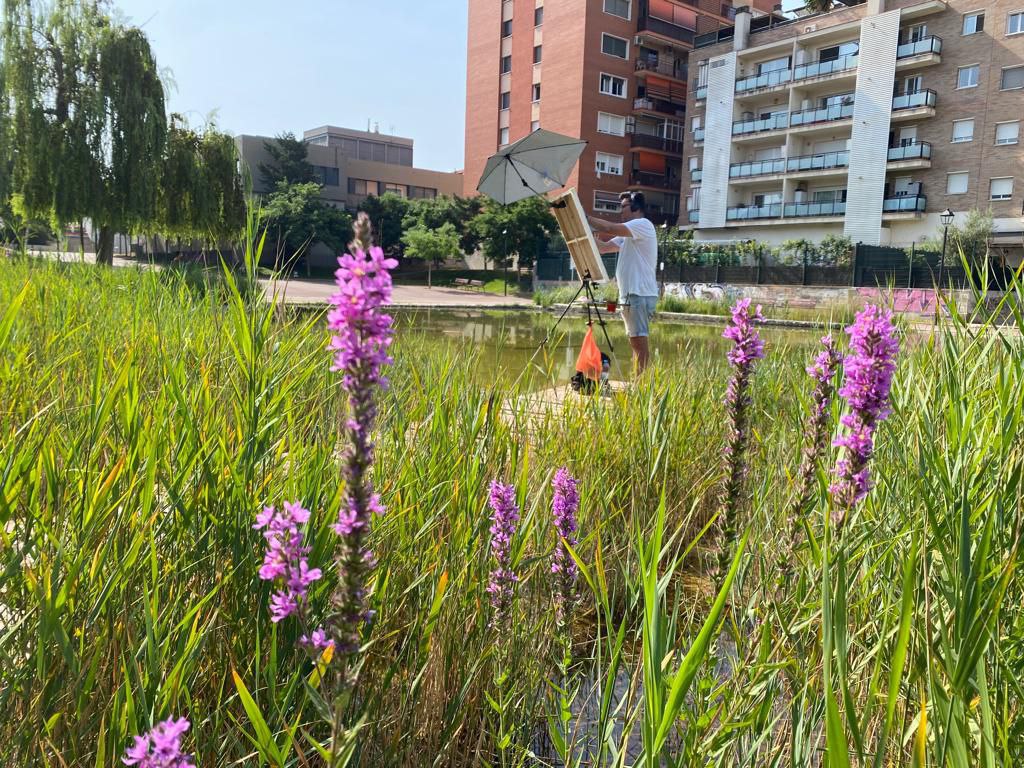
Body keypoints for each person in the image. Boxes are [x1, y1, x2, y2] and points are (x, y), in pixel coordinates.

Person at [589, 190, 659, 374]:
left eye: (623, 206)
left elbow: (611, 228)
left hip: (639, 293)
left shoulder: (642, 224)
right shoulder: (629, 233)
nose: (620, 211)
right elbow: (604, 248)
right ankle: (638, 383)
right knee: (634, 341)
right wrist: (586, 235)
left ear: (635, 206)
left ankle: (640, 387)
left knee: (638, 343)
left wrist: (585, 216)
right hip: (632, 294)